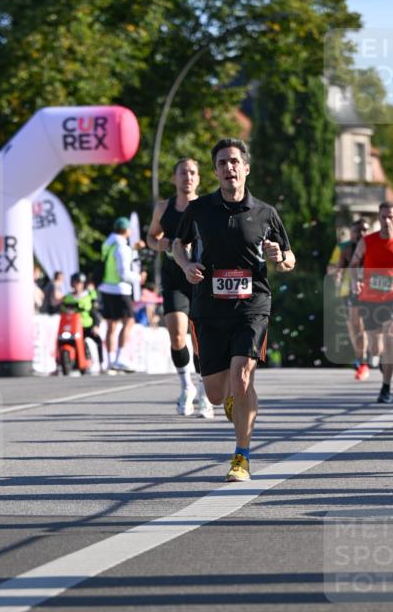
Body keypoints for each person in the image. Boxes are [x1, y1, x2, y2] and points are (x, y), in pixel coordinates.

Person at [173, 138, 295, 482]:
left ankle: (241, 456)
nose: (229, 168)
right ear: (215, 171)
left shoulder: (266, 213)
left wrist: (280, 257)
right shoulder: (199, 210)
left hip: (252, 306)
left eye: (234, 162)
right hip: (209, 308)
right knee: (214, 394)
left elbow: (289, 258)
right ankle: (232, 402)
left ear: (246, 169)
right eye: (222, 163)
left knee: (242, 377)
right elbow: (177, 246)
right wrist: (185, 266)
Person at [147, 157, 214, 419]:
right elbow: (151, 237)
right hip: (174, 278)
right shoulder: (163, 208)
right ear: (174, 178)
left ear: (198, 179)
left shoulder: (206, 207)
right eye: (183, 173)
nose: (188, 177)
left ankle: (204, 392)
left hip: (198, 278)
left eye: (193, 173)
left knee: (199, 340)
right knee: (176, 336)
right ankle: (186, 386)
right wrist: (158, 244)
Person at [350, 202, 393, 404]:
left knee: (390, 337)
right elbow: (353, 264)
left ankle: (386, 387)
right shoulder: (366, 242)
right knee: (376, 349)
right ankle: (383, 363)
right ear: (378, 218)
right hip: (369, 299)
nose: (387, 221)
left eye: (391, 217)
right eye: (383, 217)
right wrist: (355, 281)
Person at [98, 217, 141, 372]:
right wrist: (138, 278)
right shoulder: (122, 246)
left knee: (111, 325)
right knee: (128, 322)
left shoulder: (108, 243)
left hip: (105, 288)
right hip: (120, 289)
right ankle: (119, 358)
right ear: (126, 230)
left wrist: (134, 249)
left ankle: (109, 361)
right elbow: (123, 273)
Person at [337, 218, 371, 380]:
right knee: (353, 326)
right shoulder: (345, 250)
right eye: (358, 231)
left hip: (371, 292)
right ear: (352, 233)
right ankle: (360, 357)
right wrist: (337, 278)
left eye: (365, 230)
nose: (361, 234)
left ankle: (363, 359)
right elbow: (339, 268)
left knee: (363, 326)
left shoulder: (372, 247)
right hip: (350, 291)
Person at [61, 272, 105, 371]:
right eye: (76, 283)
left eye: (80, 283)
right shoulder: (68, 297)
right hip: (72, 327)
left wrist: (96, 325)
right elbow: (62, 310)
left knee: (97, 340)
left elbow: (94, 312)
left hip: (86, 325)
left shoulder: (88, 296)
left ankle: (101, 363)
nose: (78, 286)